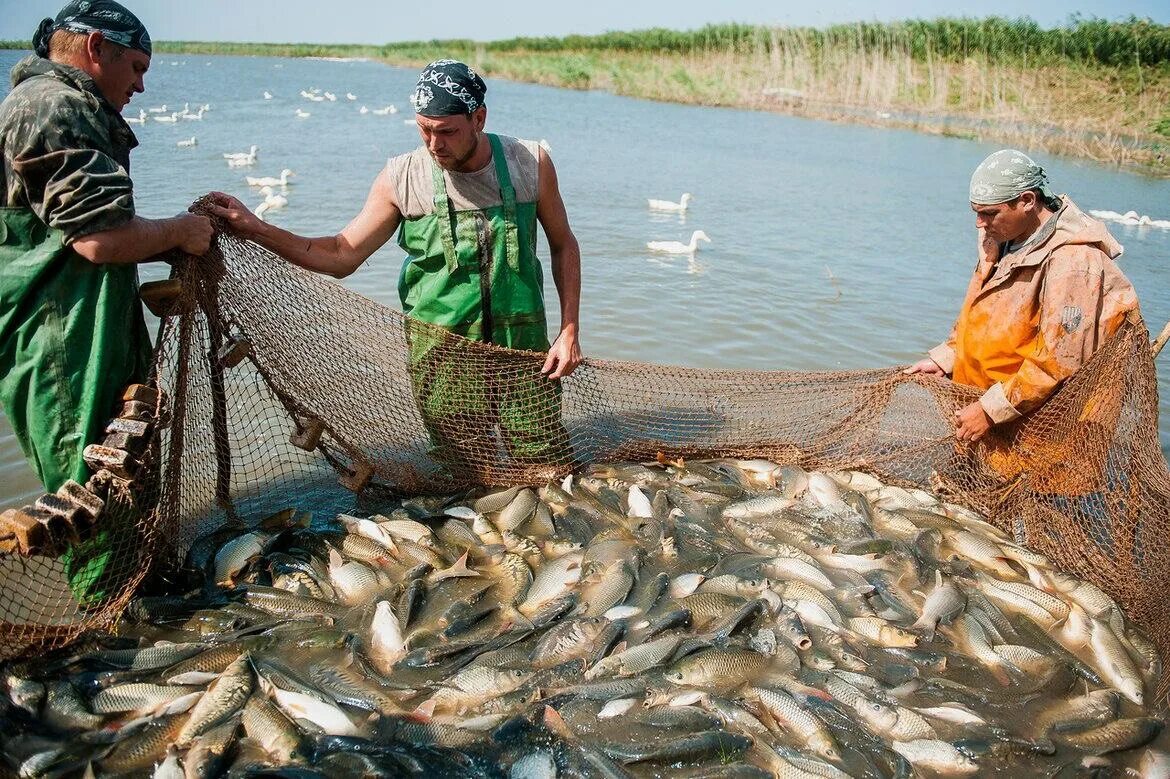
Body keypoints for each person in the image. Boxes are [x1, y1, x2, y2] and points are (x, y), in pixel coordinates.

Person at [208, 59, 582, 478]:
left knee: (546, 468)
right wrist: (257, 229)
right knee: (464, 475)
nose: (434, 145)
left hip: (524, 351)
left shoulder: (529, 161)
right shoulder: (400, 178)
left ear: (478, 118)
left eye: (446, 131)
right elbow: (340, 254)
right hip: (442, 356)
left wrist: (569, 331)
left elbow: (563, 243)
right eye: (424, 129)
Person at [0, 0, 214, 603]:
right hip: (59, 341)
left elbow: (87, 233)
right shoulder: (53, 105)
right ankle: (111, 639)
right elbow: (98, 240)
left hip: (87, 326)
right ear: (97, 48)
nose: (142, 85)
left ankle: (140, 603)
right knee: (88, 491)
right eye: (137, 67)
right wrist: (180, 232)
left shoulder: (64, 103)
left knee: (129, 466)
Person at [905, 149, 1139, 450]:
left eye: (989, 212)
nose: (979, 222)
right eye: (976, 211)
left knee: (1040, 493)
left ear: (1027, 201)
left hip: (1036, 433)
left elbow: (1059, 362)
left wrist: (990, 411)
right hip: (986, 417)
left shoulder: (1073, 262)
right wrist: (947, 358)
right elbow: (983, 314)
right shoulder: (1003, 239)